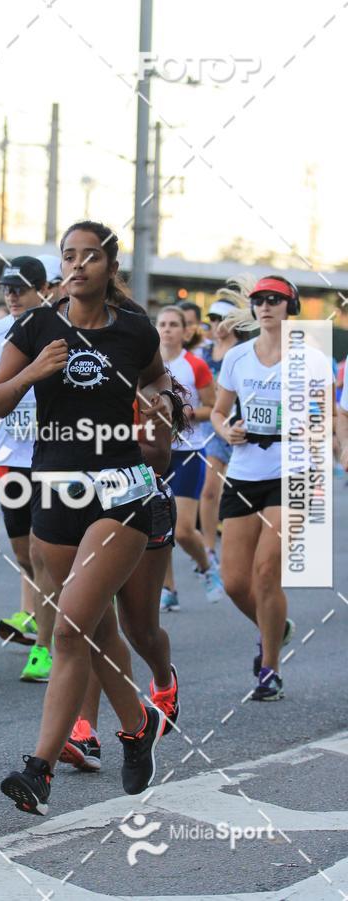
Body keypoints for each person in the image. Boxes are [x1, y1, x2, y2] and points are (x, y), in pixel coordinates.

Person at [0, 220, 175, 816]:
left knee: (69, 628)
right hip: (55, 491)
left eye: (88, 257)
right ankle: (138, 723)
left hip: (122, 492)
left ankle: (38, 768)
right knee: (95, 631)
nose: (76, 266)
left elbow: (156, 380)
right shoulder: (38, 324)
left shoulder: (137, 332)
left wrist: (164, 405)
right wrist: (33, 372)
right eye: (67, 256)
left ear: (109, 267)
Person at [61, 376, 189, 771]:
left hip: (143, 507)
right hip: (83, 505)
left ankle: (163, 680)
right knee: (90, 620)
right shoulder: (74, 379)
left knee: (139, 629)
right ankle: (85, 729)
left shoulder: (149, 389)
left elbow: (158, 455)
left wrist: (101, 450)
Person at [211, 276, 307, 700]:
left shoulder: (308, 357)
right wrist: (227, 429)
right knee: (234, 582)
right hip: (245, 471)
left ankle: (269, 669)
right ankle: (275, 628)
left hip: (293, 469)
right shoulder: (237, 357)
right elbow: (218, 411)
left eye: (275, 300)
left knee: (267, 572)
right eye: (260, 300)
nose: (266, 306)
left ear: (291, 307)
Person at [0, 256, 56, 681]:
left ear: (45, 288)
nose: (12, 296)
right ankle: (55, 611)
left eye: (21, 288)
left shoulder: (62, 328)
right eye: (7, 289)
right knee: (25, 555)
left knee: (46, 551)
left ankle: (44, 645)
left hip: (56, 459)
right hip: (10, 460)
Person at [156, 306, 224, 609]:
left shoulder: (195, 365)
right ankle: (168, 589)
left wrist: (190, 413)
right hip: (155, 453)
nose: (167, 329)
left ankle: (207, 567)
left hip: (188, 451)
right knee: (160, 528)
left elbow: (214, 408)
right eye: (162, 324)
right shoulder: (146, 364)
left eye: (174, 324)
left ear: (186, 331)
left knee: (182, 528)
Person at [199, 278, 254, 563]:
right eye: (213, 318)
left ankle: (242, 549)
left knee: (239, 489)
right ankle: (209, 549)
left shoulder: (244, 353)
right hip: (213, 426)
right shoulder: (203, 352)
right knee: (209, 490)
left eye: (222, 318)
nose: (217, 324)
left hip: (244, 425)